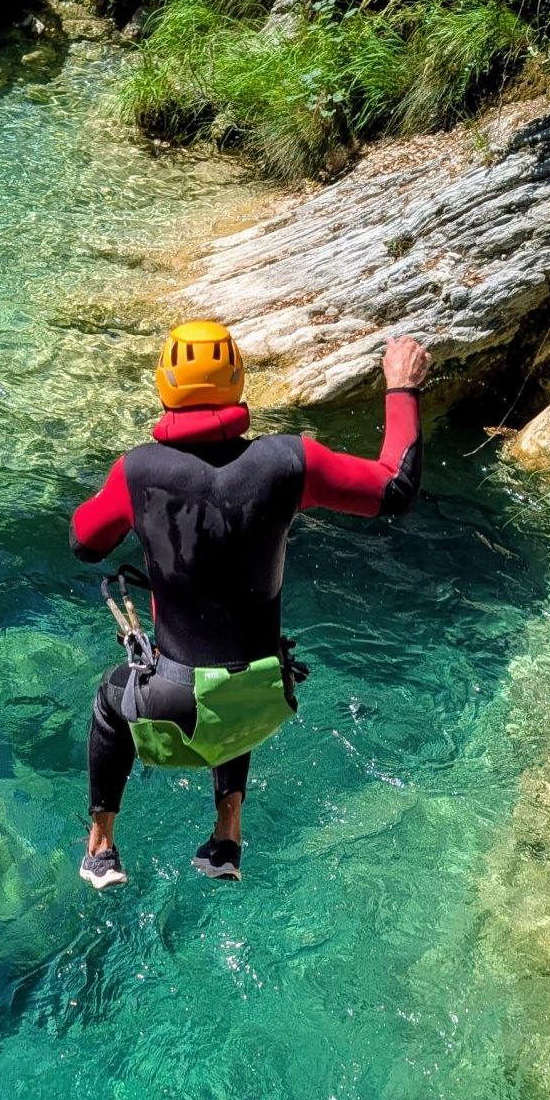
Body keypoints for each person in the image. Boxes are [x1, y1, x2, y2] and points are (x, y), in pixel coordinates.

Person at [69, 322, 430, 889]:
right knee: (228, 682)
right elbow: (395, 487)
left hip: (172, 699)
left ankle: (102, 847)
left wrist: (134, 505)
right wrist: (400, 387)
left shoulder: (136, 470)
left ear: (163, 386)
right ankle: (225, 837)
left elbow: (84, 543)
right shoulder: (289, 462)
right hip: (266, 695)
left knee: (109, 702)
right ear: (239, 382)